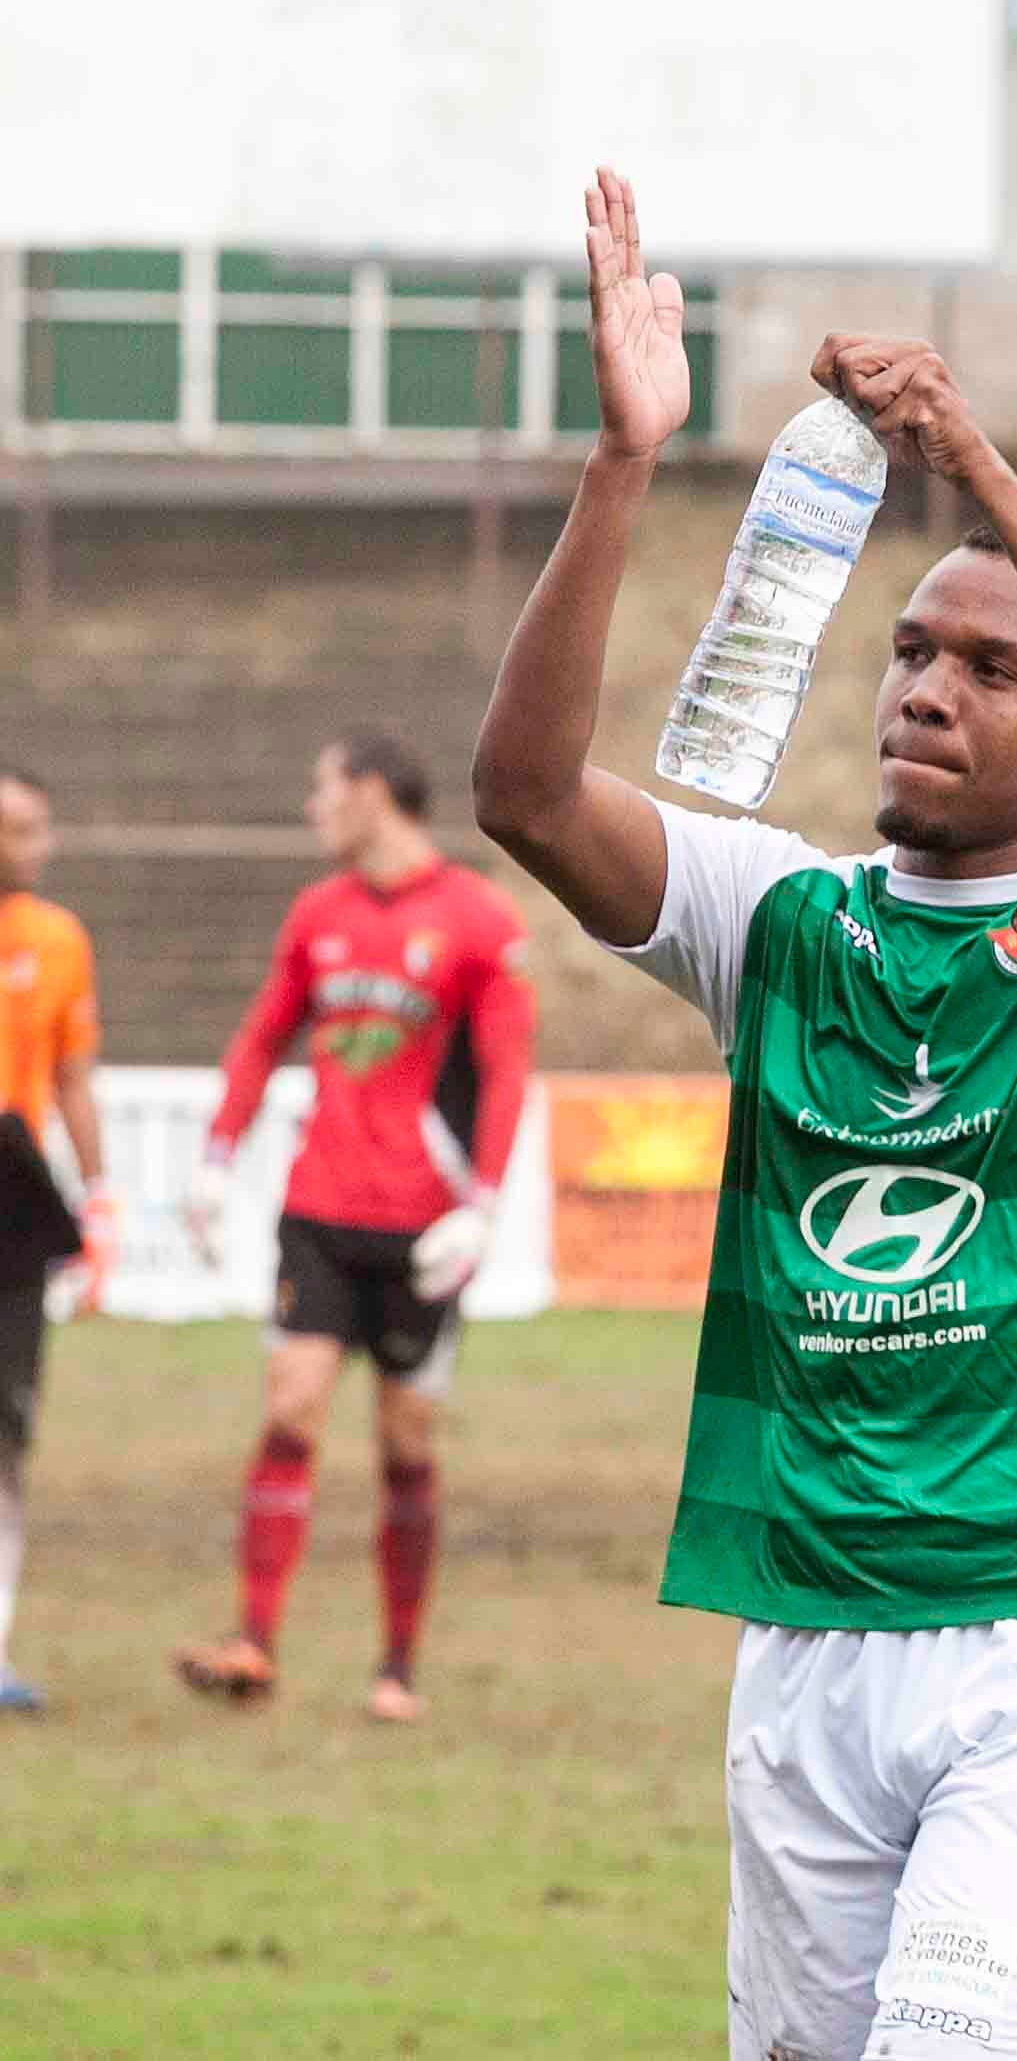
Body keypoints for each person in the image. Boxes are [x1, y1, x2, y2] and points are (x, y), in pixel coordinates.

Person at [472, 170, 1017, 2061]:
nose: (925, 685)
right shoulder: (780, 921)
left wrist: (982, 467)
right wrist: (621, 460)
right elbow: (523, 791)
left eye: (993, 666)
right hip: (811, 1637)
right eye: (913, 649)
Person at [170, 725, 533, 1724]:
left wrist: (485, 1208)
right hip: (319, 1211)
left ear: (374, 793)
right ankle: (253, 1643)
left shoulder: (479, 919)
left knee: (406, 1444)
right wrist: (214, 1156)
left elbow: (506, 1073)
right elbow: (259, 1038)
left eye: (323, 788)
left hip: (425, 1229)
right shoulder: (316, 913)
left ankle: (397, 1669)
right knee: (290, 1405)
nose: (312, 807)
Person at [0, 764, 111, 1717]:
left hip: (11, 1194)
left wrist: (100, 1194)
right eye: (19, 829)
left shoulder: (58, 940)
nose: (37, 847)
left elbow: (73, 1076)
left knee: (5, 1430)